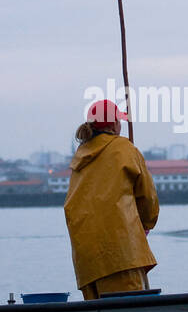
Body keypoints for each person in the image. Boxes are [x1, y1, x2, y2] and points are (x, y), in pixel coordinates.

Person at [64, 99, 159, 300]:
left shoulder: (79, 157)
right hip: (122, 255)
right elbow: (148, 197)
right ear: (113, 124)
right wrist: (146, 224)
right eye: (119, 120)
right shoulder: (125, 149)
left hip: (87, 263)